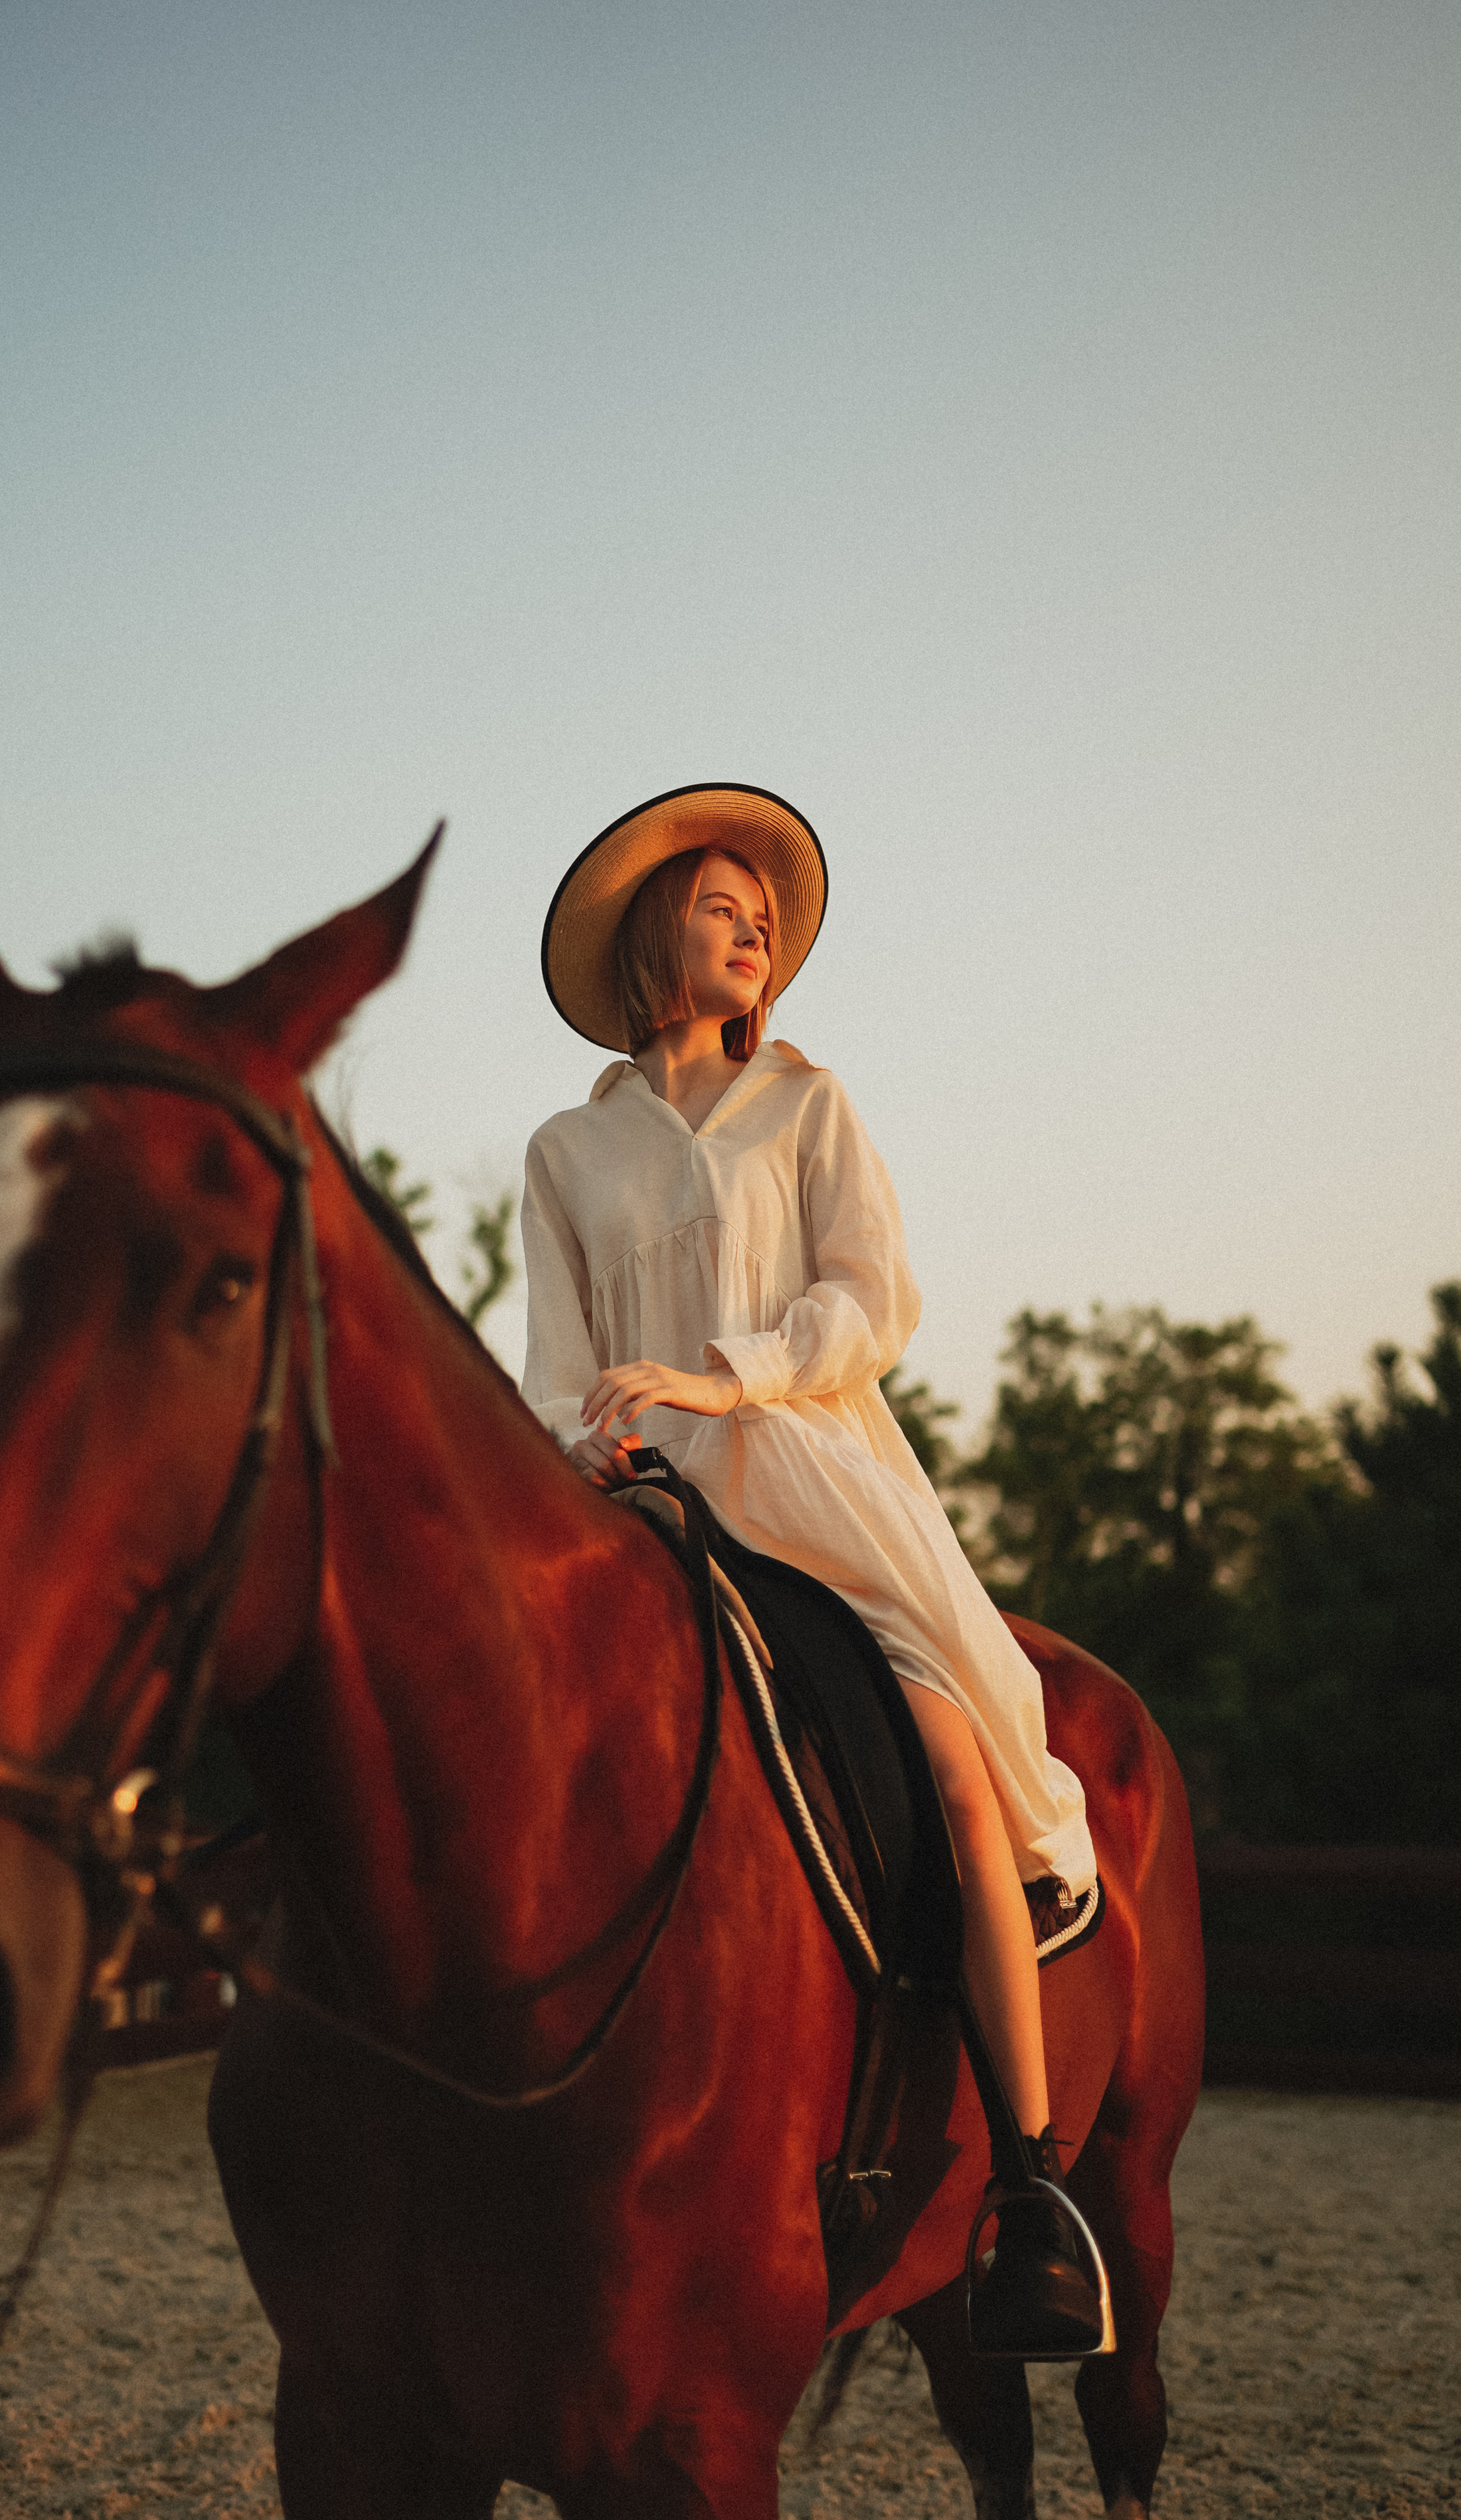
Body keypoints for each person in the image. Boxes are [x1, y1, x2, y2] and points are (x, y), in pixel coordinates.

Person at [521, 782, 1106, 2357]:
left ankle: (1031, 2187)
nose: (754, 931)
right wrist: (593, 1447)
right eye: (721, 907)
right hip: (643, 1497)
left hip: (809, 1482)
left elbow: (874, 1299)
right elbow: (553, 1368)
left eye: (762, 918)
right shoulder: (565, 1150)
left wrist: (724, 1376)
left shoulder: (805, 1103)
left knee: (955, 1775)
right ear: (657, 936)